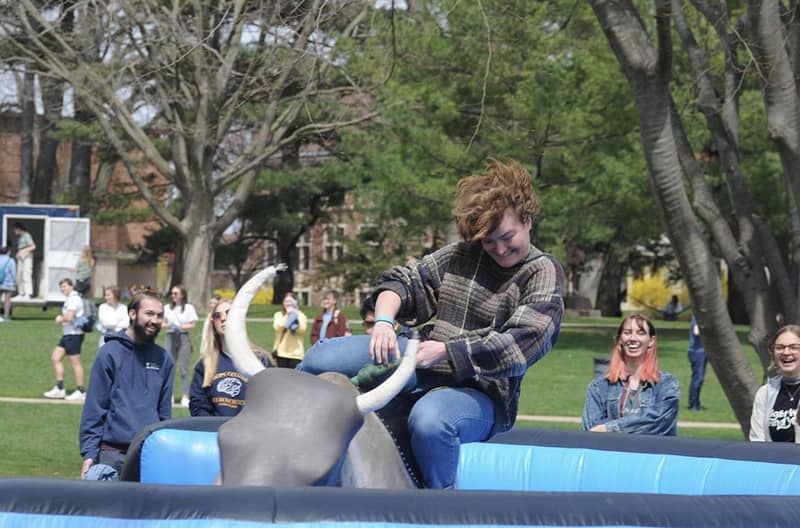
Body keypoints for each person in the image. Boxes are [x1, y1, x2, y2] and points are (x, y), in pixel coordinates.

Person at [300, 159, 565, 489]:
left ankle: (438, 507)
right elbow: (406, 282)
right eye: (488, 241)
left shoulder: (543, 272)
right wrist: (383, 321)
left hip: (481, 392)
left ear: (527, 221)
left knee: (430, 421)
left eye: (506, 237)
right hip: (418, 358)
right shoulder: (462, 255)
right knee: (319, 359)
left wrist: (446, 353)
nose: (498, 249)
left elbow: (521, 345)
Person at [79, 291, 174, 479]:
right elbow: (95, 407)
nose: (155, 320)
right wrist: (90, 453)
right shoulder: (109, 354)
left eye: (159, 315)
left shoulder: (164, 359)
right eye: (149, 313)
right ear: (132, 314)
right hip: (111, 455)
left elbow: (164, 415)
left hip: (149, 455)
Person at [582, 314, 680, 436]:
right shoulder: (598, 387)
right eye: (627, 333)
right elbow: (593, 432)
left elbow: (660, 421)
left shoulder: (666, 384)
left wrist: (610, 427)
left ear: (651, 341)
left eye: (640, 333)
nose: (633, 338)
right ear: (619, 340)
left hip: (653, 454)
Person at [189, 299, 270, 416]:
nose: (223, 318)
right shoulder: (205, 364)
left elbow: (270, 402)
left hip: (249, 431)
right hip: (215, 432)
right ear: (213, 323)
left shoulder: (261, 361)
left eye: (229, 313)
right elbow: (198, 406)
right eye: (217, 316)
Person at [749, 325, 800, 443]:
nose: (786, 352)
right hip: (772, 459)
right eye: (780, 347)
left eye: (794, 347)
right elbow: (757, 440)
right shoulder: (764, 393)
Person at [43, 278, 87, 401]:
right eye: (61, 287)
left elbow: (69, 317)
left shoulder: (74, 299)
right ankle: (59, 388)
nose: (63, 289)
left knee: (75, 362)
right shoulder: (70, 299)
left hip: (74, 334)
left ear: (71, 286)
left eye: (65, 286)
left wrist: (59, 319)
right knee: (55, 357)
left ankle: (80, 390)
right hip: (67, 334)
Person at [162, 285, 198, 408]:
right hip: (170, 336)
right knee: (169, 366)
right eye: (172, 293)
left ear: (182, 295)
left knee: (184, 369)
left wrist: (182, 326)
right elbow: (162, 322)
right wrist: (168, 325)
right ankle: (169, 396)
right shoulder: (167, 308)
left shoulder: (188, 308)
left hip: (183, 337)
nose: (173, 296)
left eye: (176, 293)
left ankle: (185, 396)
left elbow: (193, 324)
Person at [272, 292, 308, 368]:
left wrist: (294, 316)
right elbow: (278, 327)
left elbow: (302, 330)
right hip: (281, 353)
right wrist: (288, 315)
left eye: (290, 301)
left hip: (296, 354)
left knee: (294, 378)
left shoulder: (301, 315)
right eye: (286, 301)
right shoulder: (278, 315)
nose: (288, 304)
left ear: (295, 303)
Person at [687, 315, 707, 411]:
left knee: (700, 379)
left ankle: (696, 403)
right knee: (697, 379)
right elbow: (696, 331)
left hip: (702, 352)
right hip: (697, 352)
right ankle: (693, 404)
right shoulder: (697, 317)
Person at [12, 222, 35, 300]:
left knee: (26, 275)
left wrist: (22, 251)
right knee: (19, 275)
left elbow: (33, 246)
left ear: (18, 229)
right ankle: (21, 293)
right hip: (21, 257)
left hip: (27, 256)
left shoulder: (26, 235)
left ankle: (28, 294)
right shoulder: (21, 237)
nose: (14, 232)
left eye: (15, 230)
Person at [0, 246, 17, 322]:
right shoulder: (11, 260)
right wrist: (15, 283)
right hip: (8, 284)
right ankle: (6, 317)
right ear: (8, 252)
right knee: (7, 300)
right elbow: (13, 273)